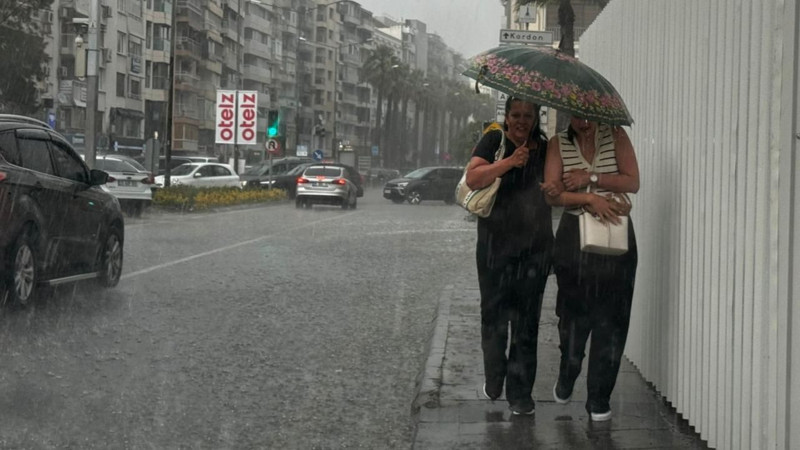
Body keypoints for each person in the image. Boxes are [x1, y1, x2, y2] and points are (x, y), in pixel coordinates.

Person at [539, 116, 639, 422]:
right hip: (573, 238)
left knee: (613, 318)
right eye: (577, 116)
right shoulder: (558, 144)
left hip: (616, 235)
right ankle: (569, 370)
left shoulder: (616, 135)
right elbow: (551, 194)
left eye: (589, 117)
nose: (584, 123)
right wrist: (588, 198)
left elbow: (632, 181)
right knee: (573, 316)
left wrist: (590, 178)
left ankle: (599, 398)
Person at [465, 96, 553, 416]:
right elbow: (473, 177)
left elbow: (553, 186)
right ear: (507, 115)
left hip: (535, 250)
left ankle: (520, 395)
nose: (520, 121)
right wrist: (509, 162)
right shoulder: (494, 139)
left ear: (536, 117)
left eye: (527, 115)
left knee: (527, 324)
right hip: (494, 249)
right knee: (494, 317)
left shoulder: (545, 148)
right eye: (515, 114)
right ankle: (494, 375)